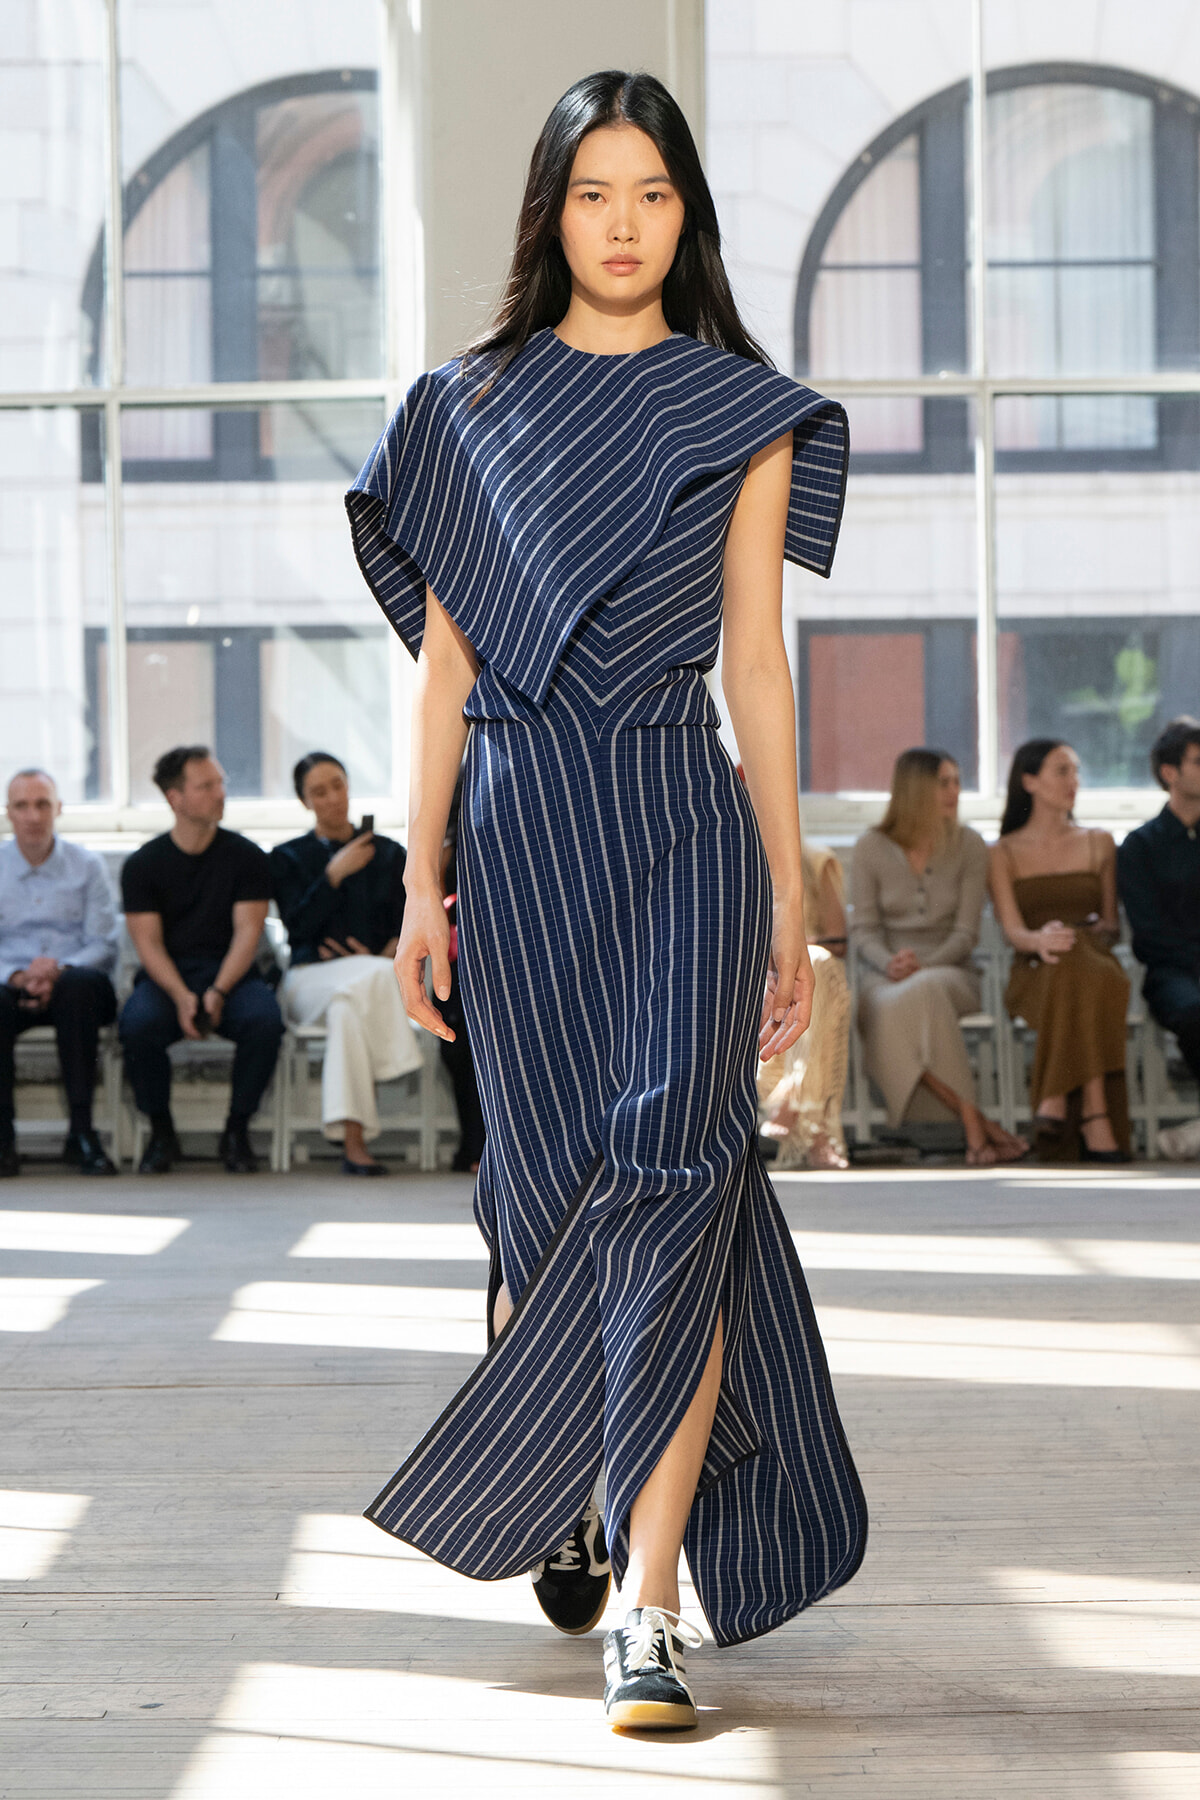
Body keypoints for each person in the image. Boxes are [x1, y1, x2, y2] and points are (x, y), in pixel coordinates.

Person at [345, 70, 866, 1730]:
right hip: (515, 823)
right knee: (541, 1200)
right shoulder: (462, 406)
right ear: (549, 212)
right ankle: (561, 1460)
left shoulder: (740, 409)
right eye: (593, 193)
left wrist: (787, 893)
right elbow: (445, 677)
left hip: (679, 823)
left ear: (686, 218)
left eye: (652, 195)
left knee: (681, 1175)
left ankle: (651, 1604)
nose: (624, 224)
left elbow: (759, 674)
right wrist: (422, 885)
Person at [851, 748, 1025, 1165]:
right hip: (885, 974)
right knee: (894, 1003)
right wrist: (889, 963)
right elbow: (864, 930)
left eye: (956, 782)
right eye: (943, 782)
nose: (954, 791)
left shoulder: (969, 845)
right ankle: (976, 1121)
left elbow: (966, 933)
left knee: (924, 990)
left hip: (950, 972)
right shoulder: (870, 847)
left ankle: (973, 1126)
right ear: (915, 790)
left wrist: (924, 965)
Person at [119, 746, 284, 1175]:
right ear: (175, 798)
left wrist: (218, 991)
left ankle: (237, 1130)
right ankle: (161, 1132)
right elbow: (148, 945)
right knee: (137, 1026)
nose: (220, 793)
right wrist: (181, 996)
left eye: (221, 782)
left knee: (265, 1021)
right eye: (206, 785)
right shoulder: (142, 865)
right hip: (167, 978)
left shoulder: (247, 857)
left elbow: (249, 932)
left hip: (231, 974)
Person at [270, 752, 423, 1175]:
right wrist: (333, 875)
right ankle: (396, 1062)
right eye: (319, 792)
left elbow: (405, 924)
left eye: (338, 785)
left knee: (349, 1006)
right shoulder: (287, 858)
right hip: (308, 980)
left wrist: (386, 950)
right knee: (366, 980)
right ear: (305, 802)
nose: (333, 798)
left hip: (366, 981)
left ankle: (354, 1144)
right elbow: (297, 928)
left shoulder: (389, 855)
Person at [990, 739, 1130, 1163]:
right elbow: (1013, 931)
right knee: (1070, 965)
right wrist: (1041, 939)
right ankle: (1093, 1108)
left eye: (1076, 771)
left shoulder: (1099, 842)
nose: (1074, 782)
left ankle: (1054, 1096)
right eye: (1061, 771)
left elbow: (1111, 926)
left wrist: (1076, 932)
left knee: (1081, 962)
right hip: (1035, 968)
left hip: (1094, 961)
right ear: (1029, 781)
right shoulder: (1002, 852)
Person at [0, 769, 119, 1177]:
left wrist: (59, 971)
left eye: (42, 804)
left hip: (77, 986)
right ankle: (2, 1141)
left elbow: (103, 943)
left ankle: (82, 1134)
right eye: (22, 806)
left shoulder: (87, 866)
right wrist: (17, 976)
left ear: (59, 809)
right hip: (10, 987)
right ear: (8, 813)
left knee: (79, 988)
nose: (33, 815)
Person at [1117, 716, 1200, 1161]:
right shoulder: (1140, 846)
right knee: (1193, 1011)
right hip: (1173, 972)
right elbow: (1147, 935)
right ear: (1170, 774)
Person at [756, 838, 851, 1169]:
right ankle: (815, 1129)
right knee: (798, 983)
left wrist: (793, 949)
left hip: (810, 976)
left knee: (815, 968)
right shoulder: (722, 852)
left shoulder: (815, 859)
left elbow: (839, 940)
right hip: (750, 972)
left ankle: (794, 1093)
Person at [436, 772, 486, 1174]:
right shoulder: (454, 783)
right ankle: (474, 1141)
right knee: (457, 1046)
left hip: (507, 942)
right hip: (459, 951)